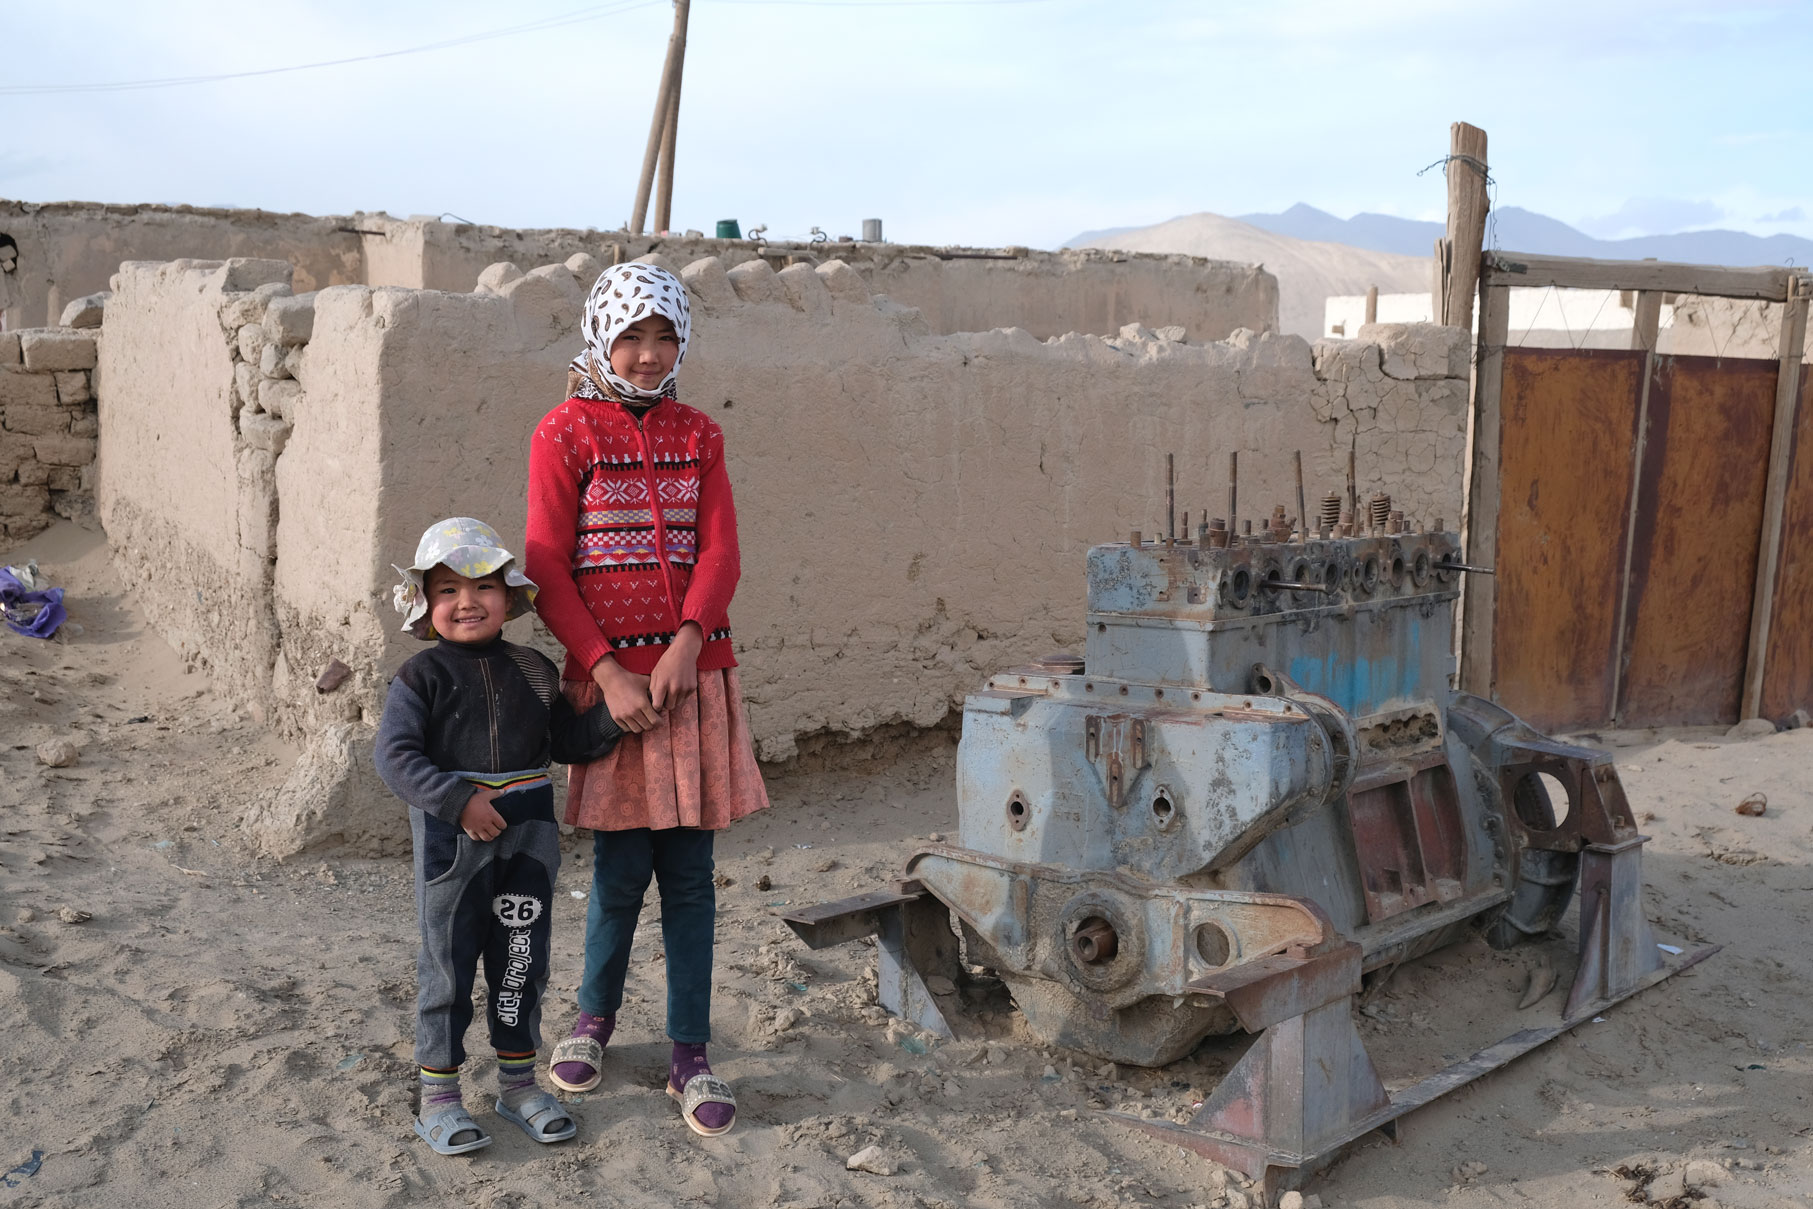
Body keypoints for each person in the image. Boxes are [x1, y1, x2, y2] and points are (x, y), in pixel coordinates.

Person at [525, 262, 769, 1138]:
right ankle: (592, 1022)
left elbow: (721, 551)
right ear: (600, 336)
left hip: (691, 681)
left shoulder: (699, 434)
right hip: (615, 688)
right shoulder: (563, 432)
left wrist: (688, 639)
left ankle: (690, 1052)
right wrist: (609, 667)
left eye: (663, 336)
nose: (645, 354)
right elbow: (547, 564)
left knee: (692, 880)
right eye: (629, 336)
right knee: (621, 875)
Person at [374, 517, 622, 1156]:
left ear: (510, 597)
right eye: (449, 589)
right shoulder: (420, 678)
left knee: (520, 964)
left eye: (482, 586)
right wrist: (459, 802)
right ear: (427, 605)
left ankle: (517, 1086)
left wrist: (613, 719)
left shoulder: (535, 670)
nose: (467, 601)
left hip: (529, 844)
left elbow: (563, 742)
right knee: (449, 969)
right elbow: (394, 758)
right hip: (452, 850)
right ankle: (440, 1097)